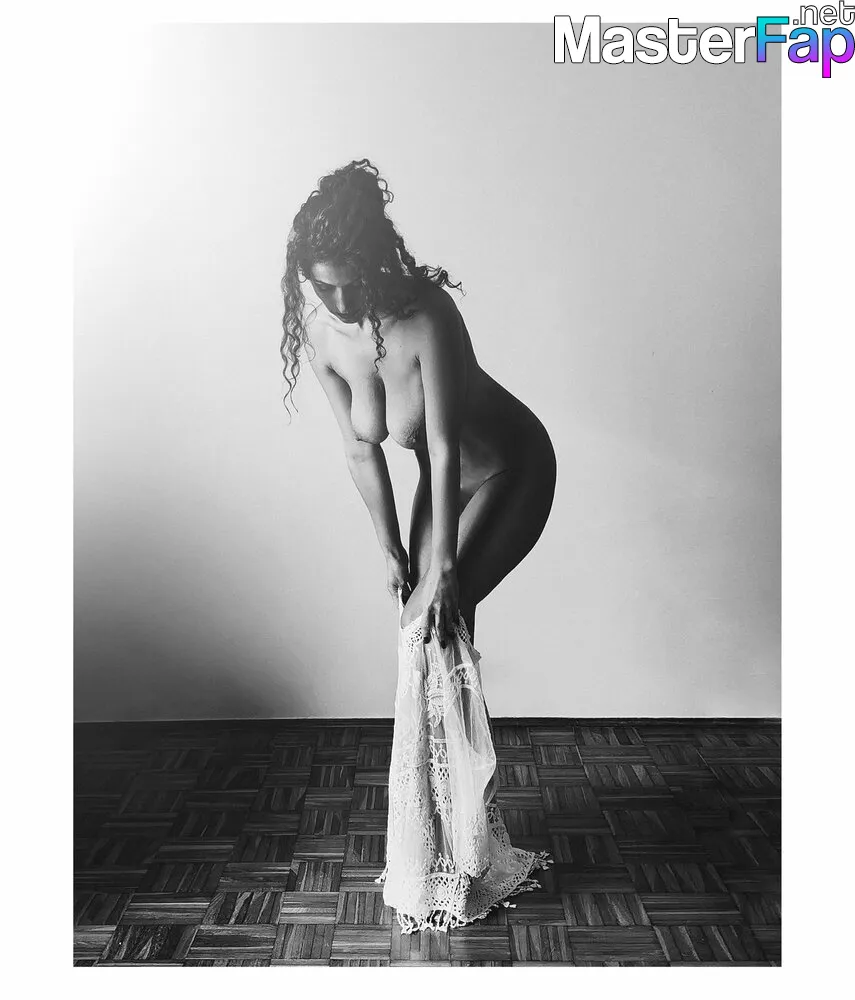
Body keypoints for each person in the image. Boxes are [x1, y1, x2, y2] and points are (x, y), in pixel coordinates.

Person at [280, 158, 556, 648]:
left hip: (511, 466)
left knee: (431, 619)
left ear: (372, 264)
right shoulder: (322, 338)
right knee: (425, 629)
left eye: (353, 284)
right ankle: (445, 707)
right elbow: (360, 449)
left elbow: (443, 444)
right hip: (442, 482)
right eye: (324, 288)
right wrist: (389, 548)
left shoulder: (426, 314)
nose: (342, 303)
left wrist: (445, 569)